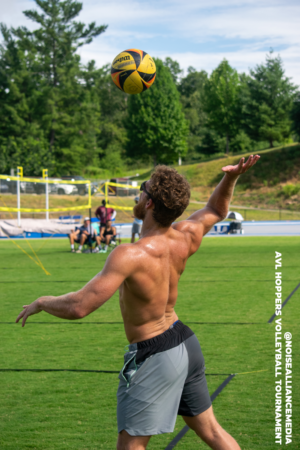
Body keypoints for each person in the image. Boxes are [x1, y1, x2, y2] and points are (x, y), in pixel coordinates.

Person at [16, 155, 260, 450]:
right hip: (185, 342)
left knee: (131, 445)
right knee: (212, 432)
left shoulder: (130, 255)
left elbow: (79, 306)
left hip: (154, 352)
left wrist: (42, 301)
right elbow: (215, 210)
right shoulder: (186, 236)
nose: (138, 194)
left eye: (142, 189)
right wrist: (231, 177)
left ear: (150, 203)